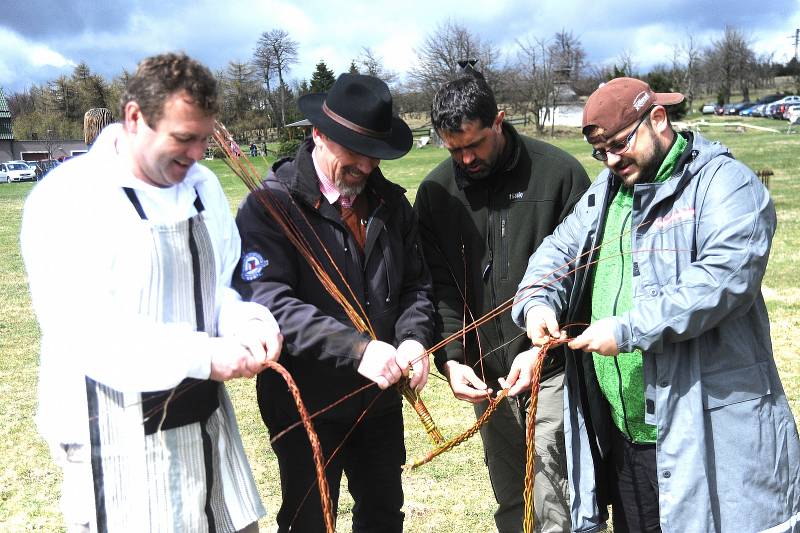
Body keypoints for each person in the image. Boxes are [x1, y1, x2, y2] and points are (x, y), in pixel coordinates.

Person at [512, 77, 800, 532]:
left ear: (658, 118)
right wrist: (538, 305)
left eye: (620, 144)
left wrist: (626, 328)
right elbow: (556, 252)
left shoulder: (725, 184)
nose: (610, 160)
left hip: (707, 432)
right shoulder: (608, 192)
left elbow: (724, 280)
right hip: (628, 441)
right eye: (600, 151)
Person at [21, 52, 283, 533]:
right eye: (183, 139)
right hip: (114, 435)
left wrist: (245, 320)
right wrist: (204, 355)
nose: (197, 154)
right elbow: (88, 334)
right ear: (135, 117)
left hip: (202, 419)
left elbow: (219, 287)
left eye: (204, 139)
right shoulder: (69, 200)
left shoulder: (202, 188)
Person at [233, 73, 435, 533]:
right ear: (318, 134)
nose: (365, 167)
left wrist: (412, 340)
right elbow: (269, 302)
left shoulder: (391, 205)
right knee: (309, 520)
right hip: (306, 405)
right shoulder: (271, 207)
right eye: (353, 152)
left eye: (374, 155)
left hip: (379, 400)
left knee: (383, 515)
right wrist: (359, 349)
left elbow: (416, 288)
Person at [414, 68, 590, 532]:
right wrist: (453, 358)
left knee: (554, 500)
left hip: (551, 365)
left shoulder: (558, 175)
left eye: (475, 145)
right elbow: (441, 286)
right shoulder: (435, 193)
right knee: (513, 500)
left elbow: (584, 277)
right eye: (454, 150)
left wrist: (541, 349)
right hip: (487, 377)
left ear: (499, 120)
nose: (466, 159)